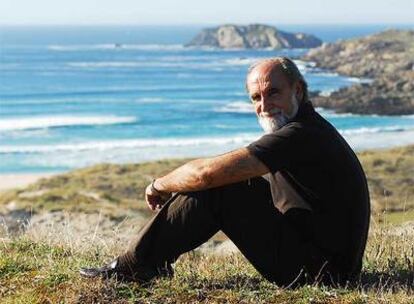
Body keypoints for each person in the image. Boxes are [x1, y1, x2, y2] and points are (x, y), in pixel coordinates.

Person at [80, 57, 370, 287]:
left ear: (298, 90)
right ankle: (144, 263)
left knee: (221, 186)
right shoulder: (308, 128)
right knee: (232, 183)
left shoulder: (300, 134)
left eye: (273, 93)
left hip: (320, 273)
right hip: (323, 262)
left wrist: (159, 185)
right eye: (256, 97)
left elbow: (205, 174)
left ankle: (135, 266)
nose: (264, 106)